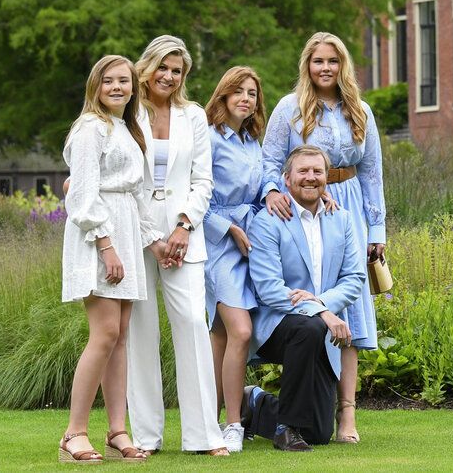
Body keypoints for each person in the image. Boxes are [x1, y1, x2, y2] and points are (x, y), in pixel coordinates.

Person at [262, 31, 386, 444]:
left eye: (333, 61)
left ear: (343, 65)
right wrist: (273, 191)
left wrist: (377, 229)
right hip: (303, 201)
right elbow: (270, 160)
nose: (326, 68)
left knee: (349, 316)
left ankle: (347, 415)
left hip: (346, 207)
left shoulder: (360, 110)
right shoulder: (288, 109)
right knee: (312, 309)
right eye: (318, 61)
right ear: (307, 65)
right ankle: (291, 409)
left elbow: (371, 173)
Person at [126, 35, 228, 456]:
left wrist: (184, 226)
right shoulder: (127, 115)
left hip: (187, 236)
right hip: (136, 233)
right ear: (146, 68)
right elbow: (127, 182)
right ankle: (146, 437)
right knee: (140, 331)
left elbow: (204, 179)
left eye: (177, 70)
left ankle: (203, 436)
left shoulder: (193, 116)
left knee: (191, 326)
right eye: (162, 67)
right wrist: (153, 239)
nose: (168, 76)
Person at [60, 55, 164, 463]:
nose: (117, 87)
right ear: (96, 87)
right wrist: (106, 245)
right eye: (109, 81)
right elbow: (82, 197)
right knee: (104, 335)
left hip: (124, 230)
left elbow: (136, 198)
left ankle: (117, 431)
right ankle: (74, 433)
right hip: (98, 235)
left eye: (124, 80)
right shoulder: (90, 128)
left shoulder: (127, 128)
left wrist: (152, 241)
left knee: (120, 339)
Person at [244, 145, 365, 451]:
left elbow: (355, 279)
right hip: (277, 325)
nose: (310, 178)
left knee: (319, 434)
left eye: (317, 171)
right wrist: (321, 312)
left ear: (326, 178)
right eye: (303, 171)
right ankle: (286, 429)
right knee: (308, 327)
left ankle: (254, 402)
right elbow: (269, 288)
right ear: (286, 179)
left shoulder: (343, 220)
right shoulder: (267, 221)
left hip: (320, 330)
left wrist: (319, 305)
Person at [202, 66, 267, 453]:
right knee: (239, 331)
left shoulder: (252, 143)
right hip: (219, 245)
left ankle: (206, 422)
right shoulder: (209, 139)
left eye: (253, 93)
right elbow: (197, 199)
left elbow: (261, 192)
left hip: (252, 244)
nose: (246, 98)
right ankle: (233, 423)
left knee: (222, 336)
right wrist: (230, 229)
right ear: (223, 96)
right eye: (239, 91)